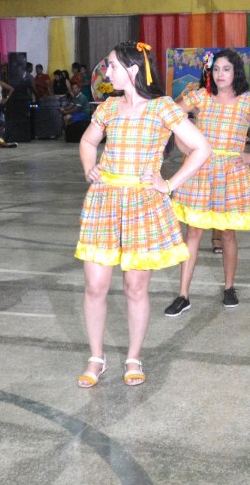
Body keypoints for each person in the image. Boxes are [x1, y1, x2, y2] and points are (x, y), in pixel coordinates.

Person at [75, 42, 211, 387]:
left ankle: (133, 357)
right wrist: (90, 167)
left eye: (112, 67)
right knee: (95, 285)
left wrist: (170, 184)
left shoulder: (162, 108)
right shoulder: (107, 108)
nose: (107, 73)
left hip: (143, 205)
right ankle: (96, 358)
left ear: (133, 69)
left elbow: (201, 148)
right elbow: (88, 142)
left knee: (135, 287)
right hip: (103, 202)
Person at [164, 49, 250, 316]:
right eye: (216, 69)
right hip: (200, 171)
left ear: (236, 72)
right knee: (193, 232)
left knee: (228, 233)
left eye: (226, 69)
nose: (220, 74)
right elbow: (170, 115)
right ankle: (183, 294)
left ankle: (229, 288)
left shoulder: (249, 101)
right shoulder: (201, 96)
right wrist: (184, 146)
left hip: (232, 174)